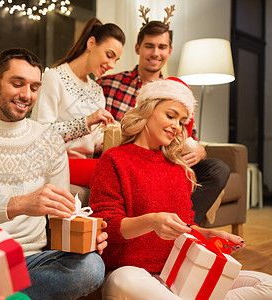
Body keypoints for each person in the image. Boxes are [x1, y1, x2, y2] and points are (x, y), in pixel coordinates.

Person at [0, 48, 107, 299]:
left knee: (90, 267)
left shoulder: (49, 141)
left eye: (34, 87)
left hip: (31, 261)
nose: (26, 95)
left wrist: (89, 234)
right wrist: (19, 204)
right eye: (17, 84)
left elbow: (64, 216)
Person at [89, 77, 272, 300]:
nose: (177, 126)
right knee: (122, 281)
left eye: (182, 121)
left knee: (267, 285)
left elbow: (185, 227)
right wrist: (152, 221)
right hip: (134, 273)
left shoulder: (178, 168)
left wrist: (208, 234)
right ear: (147, 110)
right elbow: (108, 226)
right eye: (171, 115)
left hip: (179, 273)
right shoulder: (114, 160)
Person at [98, 18, 230, 224]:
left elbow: (188, 137)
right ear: (137, 48)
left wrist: (199, 151)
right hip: (131, 163)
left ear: (169, 50)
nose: (155, 53)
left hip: (166, 161)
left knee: (218, 168)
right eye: (149, 46)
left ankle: (183, 226)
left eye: (162, 47)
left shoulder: (178, 92)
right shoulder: (109, 84)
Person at [31, 18, 125, 159]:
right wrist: (87, 121)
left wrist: (120, 133)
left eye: (115, 60)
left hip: (83, 170)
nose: (112, 65)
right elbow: (41, 133)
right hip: (53, 167)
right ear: (91, 43)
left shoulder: (97, 90)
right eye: (109, 55)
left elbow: (93, 144)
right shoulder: (54, 78)